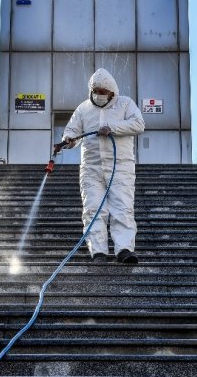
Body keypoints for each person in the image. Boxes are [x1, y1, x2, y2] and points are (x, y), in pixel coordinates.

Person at [62, 68, 145, 264]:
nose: (99, 95)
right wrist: (68, 140)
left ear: (111, 92)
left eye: (103, 92)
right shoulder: (83, 109)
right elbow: (72, 130)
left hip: (121, 166)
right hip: (91, 167)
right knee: (92, 209)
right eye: (96, 91)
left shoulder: (125, 104)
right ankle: (98, 251)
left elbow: (139, 124)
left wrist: (113, 128)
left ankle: (124, 249)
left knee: (122, 208)